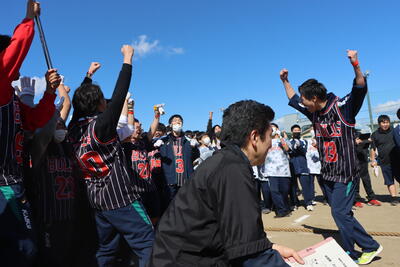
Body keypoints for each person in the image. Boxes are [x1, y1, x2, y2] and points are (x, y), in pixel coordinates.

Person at [149, 100, 304, 267]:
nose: (269, 144)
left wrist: (269, 247)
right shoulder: (233, 169)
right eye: (268, 136)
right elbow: (251, 255)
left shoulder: (226, 161)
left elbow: (240, 235)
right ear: (254, 137)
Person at [280, 50, 382, 264]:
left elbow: (360, 87)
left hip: (345, 173)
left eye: (306, 100)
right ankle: (361, 246)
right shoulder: (313, 112)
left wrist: (355, 63)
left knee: (339, 213)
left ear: (315, 98)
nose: (303, 104)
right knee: (342, 214)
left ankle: (358, 250)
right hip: (327, 173)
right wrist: (285, 81)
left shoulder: (343, 107)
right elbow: (293, 98)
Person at [68, 45, 154, 267]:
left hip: (96, 201)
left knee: (106, 249)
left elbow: (78, 107)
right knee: (148, 244)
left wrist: (88, 76)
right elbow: (119, 94)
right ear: (99, 104)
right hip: (120, 198)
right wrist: (128, 59)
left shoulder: (74, 129)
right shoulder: (101, 127)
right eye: (102, 101)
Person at [0, 2, 60, 266]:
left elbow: (35, 119)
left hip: (15, 182)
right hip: (4, 187)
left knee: (25, 250)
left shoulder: (11, 98)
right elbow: (15, 53)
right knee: (23, 251)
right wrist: (28, 19)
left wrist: (48, 92)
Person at [159, 114, 198, 203]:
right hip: (170, 180)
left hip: (186, 180)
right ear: (170, 125)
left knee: (186, 205)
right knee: (170, 207)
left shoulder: (187, 140)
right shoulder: (164, 140)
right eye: (175, 121)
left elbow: (195, 156)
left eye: (179, 121)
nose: (177, 122)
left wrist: (194, 148)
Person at [259, 123, 292, 217]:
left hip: (284, 171)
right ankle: (281, 211)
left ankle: (286, 208)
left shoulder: (283, 140)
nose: (272, 129)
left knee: (284, 191)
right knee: (274, 191)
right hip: (271, 171)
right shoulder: (265, 141)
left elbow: (287, 148)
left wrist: (281, 137)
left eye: (274, 128)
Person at [370, 115, 400, 205]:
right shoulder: (375, 134)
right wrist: (373, 160)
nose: (385, 124)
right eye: (383, 122)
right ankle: (394, 198)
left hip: (397, 160)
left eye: (387, 122)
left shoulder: (394, 131)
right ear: (379, 124)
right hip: (384, 162)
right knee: (389, 180)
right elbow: (373, 148)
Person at [288, 124, 315, 211]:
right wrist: (292, 148)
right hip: (292, 165)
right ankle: (294, 203)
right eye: (295, 130)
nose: (296, 132)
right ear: (292, 132)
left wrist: (299, 146)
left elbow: (304, 151)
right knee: (293, 186)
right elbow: (290, 152)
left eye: (298, 130)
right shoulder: (289, 141)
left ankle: (308, 203)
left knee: (305, 186)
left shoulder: (304, 141)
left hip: (303, 165)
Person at [353, 133, 381, 207]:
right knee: (356, 180)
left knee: (366, 180)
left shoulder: (358, 133)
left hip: (363, 160)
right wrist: (355, 142)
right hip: (353, 161)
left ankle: (371, 198)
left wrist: (366, 141)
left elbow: (368, 145)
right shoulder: (347, 134)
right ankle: (356, 200)